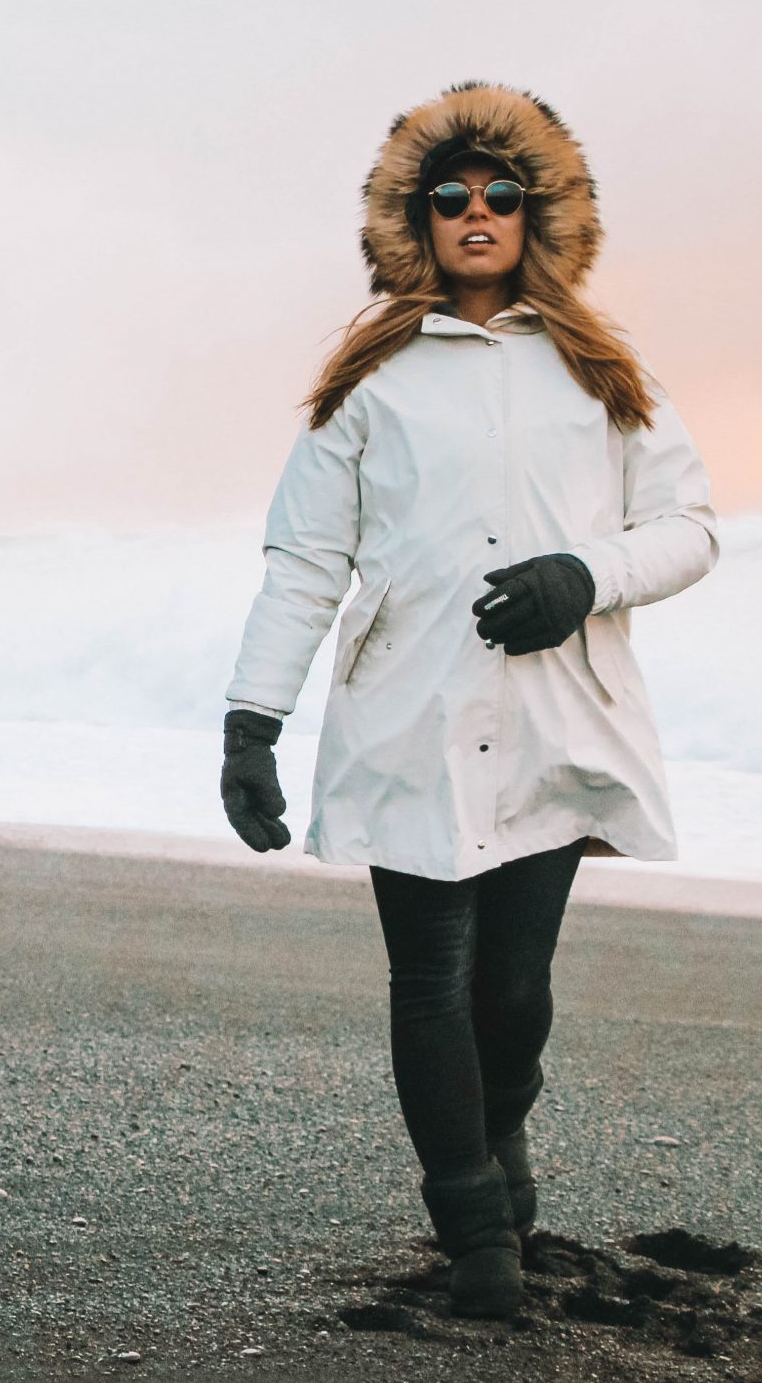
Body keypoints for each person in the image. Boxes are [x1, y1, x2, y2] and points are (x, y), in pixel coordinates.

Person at [219, 83, 717, 1317]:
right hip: (408, 720)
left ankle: (504, 1148)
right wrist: (250, 722)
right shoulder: (368, 384)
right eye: (451, 198)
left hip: (558, 717)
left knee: (512, 992)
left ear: (537, 214)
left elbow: (691, 529)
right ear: (417, 222)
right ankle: (476, 1229)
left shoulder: (599, 371)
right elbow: (302, 563)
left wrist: (579, 576)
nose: (477, 212)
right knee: (431, 982)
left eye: (502, 193)